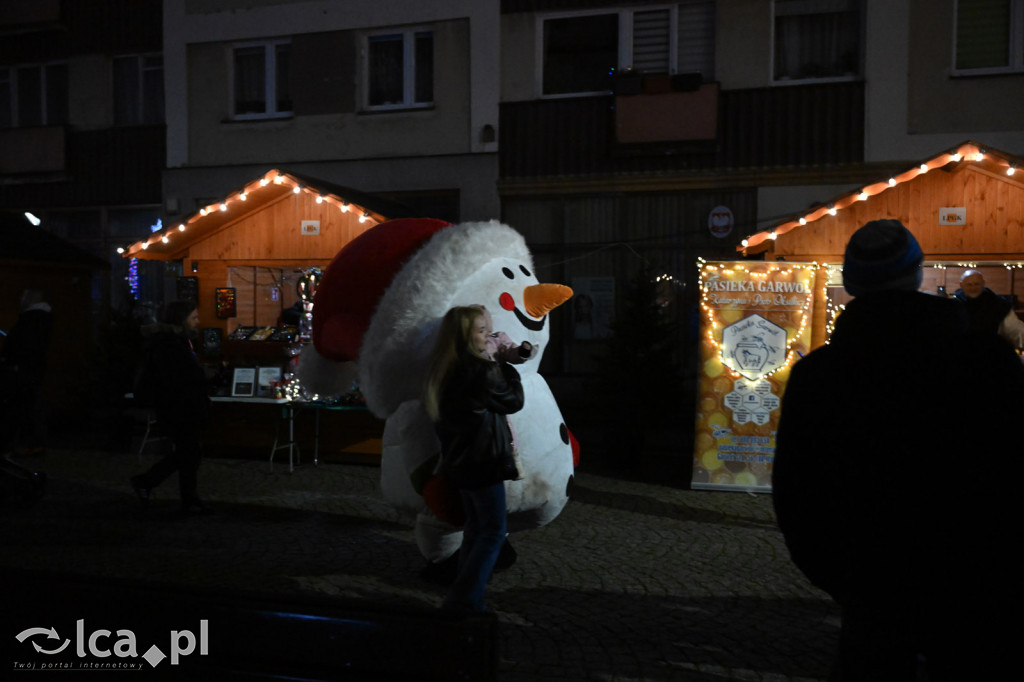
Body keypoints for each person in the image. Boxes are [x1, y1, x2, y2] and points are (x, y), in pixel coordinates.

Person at [772, 219, 1024, 681]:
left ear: (850, 283)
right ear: (915, 273)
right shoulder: (988, 363)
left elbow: (795, 494)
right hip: (979, 585)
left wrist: (845, 580)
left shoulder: (821, 376)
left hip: (871, 589)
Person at [422, 305, 525, 613]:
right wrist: (507, 366)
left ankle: (465, 594)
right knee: (492, 532)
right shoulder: (480, 369)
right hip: (485, 462)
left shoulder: (442, 367)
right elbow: (513, 400)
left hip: (460, 463)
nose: (487, 335)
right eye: (481, 330)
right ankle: (464, 599)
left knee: (476, 530)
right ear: (466, 336)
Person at [131, 300, 211, 514]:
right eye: (193, 317)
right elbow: (175, 379)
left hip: (182, 407)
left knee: (189, 452)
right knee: (189, 452)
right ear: (181, 320)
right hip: (178, 408)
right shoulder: (169, 344)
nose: (198, 322)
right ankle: (148, 482)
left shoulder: (177, 341)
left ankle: (186, 497)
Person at [0, 289, 53, 456]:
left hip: (24, 370)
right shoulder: (37, 318)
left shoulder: (32, 319)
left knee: (24, 407)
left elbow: (24, 345)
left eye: (23, 296)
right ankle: (30, 443)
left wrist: (11, 360)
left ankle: (29, 444)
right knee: (28, 406)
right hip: (28, 369)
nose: (20, 299)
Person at [952, 268, 1024, 349]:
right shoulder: (953, 306)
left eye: (977, 284)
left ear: (983, 284)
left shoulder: (999, 305)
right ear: (961, 285)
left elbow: (1015, 330)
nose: (973, 288)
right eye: (969, 284)